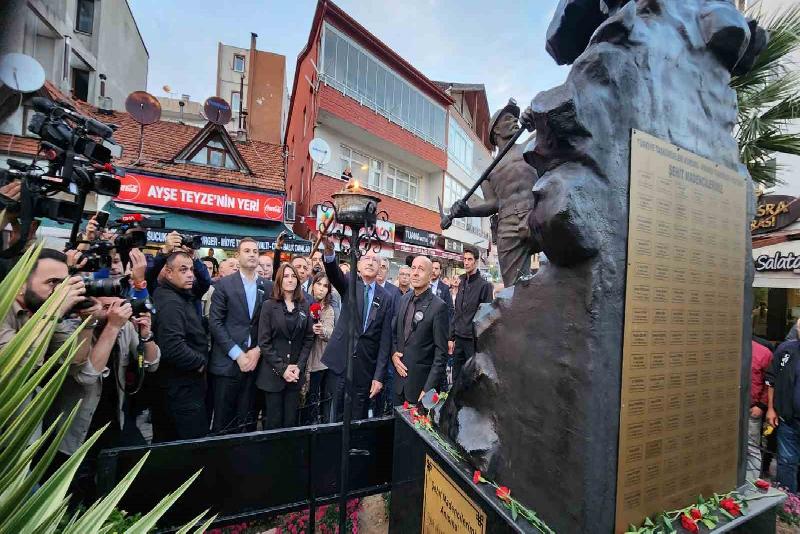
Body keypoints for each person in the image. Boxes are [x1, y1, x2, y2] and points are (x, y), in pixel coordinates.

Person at [448, 99, 539, 287]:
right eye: (508, 118)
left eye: (516, 118)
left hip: (539, 212)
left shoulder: (530, 144)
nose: (514, 121)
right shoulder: (489, 172)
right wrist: (466, 211)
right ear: (496, 130)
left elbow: (552, 125)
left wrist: (537, 115)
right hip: (507, 225)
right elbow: (492, 204)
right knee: (515, 288)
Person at [321, 236, 393, 422]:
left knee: (357, 418)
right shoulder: (350, 284)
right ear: (358, 265)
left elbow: (385, 340)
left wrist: (378, 376)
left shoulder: (386, 297)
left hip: (365, 368)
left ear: (380, 268)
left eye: (375, 260)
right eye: (366, 258)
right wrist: (329, 254)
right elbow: (334, 274)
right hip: (341, 363)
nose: (370, 262)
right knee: (335, 416)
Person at [208, 238, 272, 434]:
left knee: (247, 423)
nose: (252, 254)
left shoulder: (267, 286)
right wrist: (237, 354)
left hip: (255, 365)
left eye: (255, 251)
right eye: (247, 251)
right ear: (237, 255)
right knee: (223, 424)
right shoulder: (224, 284)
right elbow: (215, 323)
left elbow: (269, 325)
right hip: (227, 364)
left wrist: (258, 350)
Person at [152, 252, 209, 442]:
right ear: (168, 273)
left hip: (180, 386)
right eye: (183, 270)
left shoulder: (181, 295)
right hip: (181, 389)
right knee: (189, 444)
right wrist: (200, 362)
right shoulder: (171, 301)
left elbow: (204, 282)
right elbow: (172, 347)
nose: (190, 274)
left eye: (191, 269)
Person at [256, 263, 314, 429]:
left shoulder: (304, 305)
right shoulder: (269, 306)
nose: (290, 279)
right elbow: (264, 342)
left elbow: (308, 338)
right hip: (273, 376)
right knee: (273, 423)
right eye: (286, 276)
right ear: (279, 280)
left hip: (295, 376)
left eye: (293, 276)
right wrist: (282, 369)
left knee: (291, 422)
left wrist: (299, 366)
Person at [0, 249, 86, 353]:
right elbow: (21, 362)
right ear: (20, 284)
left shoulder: (39, 308)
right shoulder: (2, 312)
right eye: (52, 282)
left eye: (64, 283)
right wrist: (55, 312)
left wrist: (88, 320)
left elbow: (68, 359)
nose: (60, 289)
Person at [391, 256, 449, 404]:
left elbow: (441, 353)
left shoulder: (438, 307)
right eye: (413, 268)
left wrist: (428, 389)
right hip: (398, 384)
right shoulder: (403, 300)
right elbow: (395, 333)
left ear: (430, 276)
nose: (415, 273)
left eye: (421, 269)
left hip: (420, 387)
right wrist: (394, 355)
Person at [450, 247, 493, 385]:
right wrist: (451, 337)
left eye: (470, 259)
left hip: (473, 342)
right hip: (458, 339)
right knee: (456, 377)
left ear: (476, 261)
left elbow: (486, 317)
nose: (466, 262)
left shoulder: (484, 286)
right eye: (464, 259)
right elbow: (457, 311)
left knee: (472, 379)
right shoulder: (461, 282)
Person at [766, 322, 800, 491]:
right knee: (786, 462)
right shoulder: (786, 350)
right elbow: (771, 380)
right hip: (788, 419)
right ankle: (788, 501)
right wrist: (771, 408)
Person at [303, 272, 335, 425]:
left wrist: (321, 330)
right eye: (319, 284)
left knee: (314, 399)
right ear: (312, 285)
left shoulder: (328, 309)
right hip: (300, 359)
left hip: (319, 362)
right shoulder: (302, 302)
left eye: (325, 286)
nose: (321, 288)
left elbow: (330, 331)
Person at [749, 340, 772, 480]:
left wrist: (761, 405)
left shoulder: (763, 352)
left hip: (752, 409)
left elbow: (770, 382)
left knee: (751, 447)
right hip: (727, 408)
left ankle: (752, 481)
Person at [430, 259, 454, 323]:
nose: (433, 270)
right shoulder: (423, 285)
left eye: (436, 268)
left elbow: (450, 309)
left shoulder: (445, 288)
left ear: (440, 271)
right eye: (432, 268)